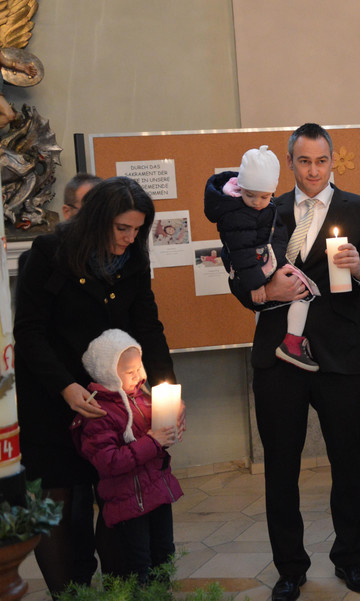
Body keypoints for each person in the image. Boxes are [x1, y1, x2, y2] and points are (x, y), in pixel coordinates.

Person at [227, 122, 360, 601]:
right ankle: (290, 568)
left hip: (338, 354)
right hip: (278, 356)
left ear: (332, 161)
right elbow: (239, 277)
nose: (313, 170)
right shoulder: (266, 209)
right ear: (290, 162)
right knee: (281, 466)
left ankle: (350, 559)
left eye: (321, 161)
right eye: (304, 161)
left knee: (347, 461)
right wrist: (265, 292)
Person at [14, 176, 179, 596]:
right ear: (97, 220)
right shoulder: (50, 253)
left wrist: (168, 390)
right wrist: (66, 387)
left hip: (112, 400)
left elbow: (148, 326)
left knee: (117, 495)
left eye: (137, 229)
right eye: (122, 228)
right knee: (61, 501)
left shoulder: (133, 259)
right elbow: (29, 332)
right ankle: (69, 593)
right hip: (55, 396)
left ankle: (121, 590)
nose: (130, 238)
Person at [71, 329, 184, 584]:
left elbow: (157, 440)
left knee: (164, 554)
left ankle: (161, 594)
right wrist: (153, 441)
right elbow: (109, 461)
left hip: (157, 494)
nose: (139, 375)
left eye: (139, 367)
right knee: (137, 564)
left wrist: (170, 429)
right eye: (129, 371)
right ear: (108, 373)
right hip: (128, 502)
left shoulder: (143, 400)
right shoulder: (98, 413)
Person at [205, 145, 321, 371]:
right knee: (293, 296)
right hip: (258, 272)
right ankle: (291, 342)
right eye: (250, 195)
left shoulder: (270, 207)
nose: (257, 202)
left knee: (300, 294)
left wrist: (280, 265)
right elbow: (241, 253)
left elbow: (278, 236)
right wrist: (258, 284)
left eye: (264, 196)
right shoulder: (237, 214)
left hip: (271, 265)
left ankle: (292, 341)